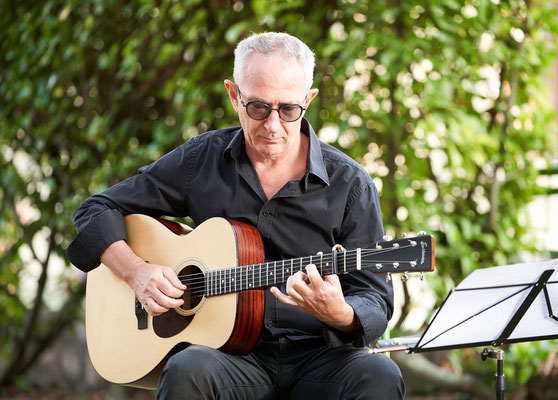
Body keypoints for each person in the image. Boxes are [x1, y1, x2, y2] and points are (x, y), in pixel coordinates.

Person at [67, 32, 405, 399]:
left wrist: (339, 313)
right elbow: (95, 210)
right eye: (258, 107)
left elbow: (373, 298)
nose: (273, 125)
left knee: (379, 374)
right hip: (231, 358)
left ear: (308, 101)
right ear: (234, 96)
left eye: (289, 109)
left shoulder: (350, 183)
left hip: (321, 358)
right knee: (187, 370)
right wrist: (136, 271)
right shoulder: (202, 160)